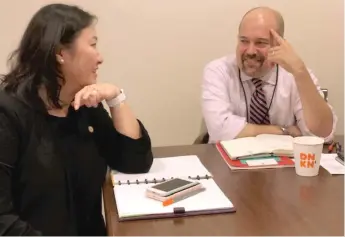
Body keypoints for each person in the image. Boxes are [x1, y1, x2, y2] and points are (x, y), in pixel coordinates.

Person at [0, 3, 153, 235]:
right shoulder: (8, 115)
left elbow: (135, 162)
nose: (100, 57)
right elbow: (3, 220)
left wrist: (115, 98)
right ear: (61, 53)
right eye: (93, 45)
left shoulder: (82, 105)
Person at [202, 7, 337, 144]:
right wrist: (284, 130)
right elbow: (219, 129)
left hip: (286, 163)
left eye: (260, 42)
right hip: (225, 162)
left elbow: (323, 135)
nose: (250, 51)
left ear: (279, 44)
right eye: (244, 41)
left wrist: (300, 72)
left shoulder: (296, 75)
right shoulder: (218, 71)